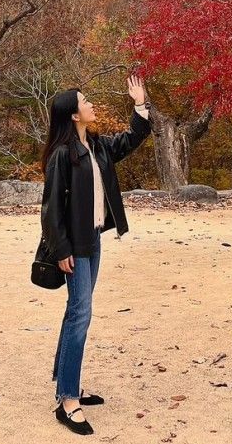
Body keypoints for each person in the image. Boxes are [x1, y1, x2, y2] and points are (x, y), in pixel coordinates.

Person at [40, 74, 152, 436]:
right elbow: (51, 208)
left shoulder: (98, 147)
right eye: (85, 102)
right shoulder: (62, 155)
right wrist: (60, 250)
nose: (91, 105)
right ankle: (68, 399)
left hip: (94, 239)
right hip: (74, 246)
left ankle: (65, 381)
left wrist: (139, 106)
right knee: (80, 314)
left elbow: (132, 138)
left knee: (77, 312)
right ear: (74, 115)